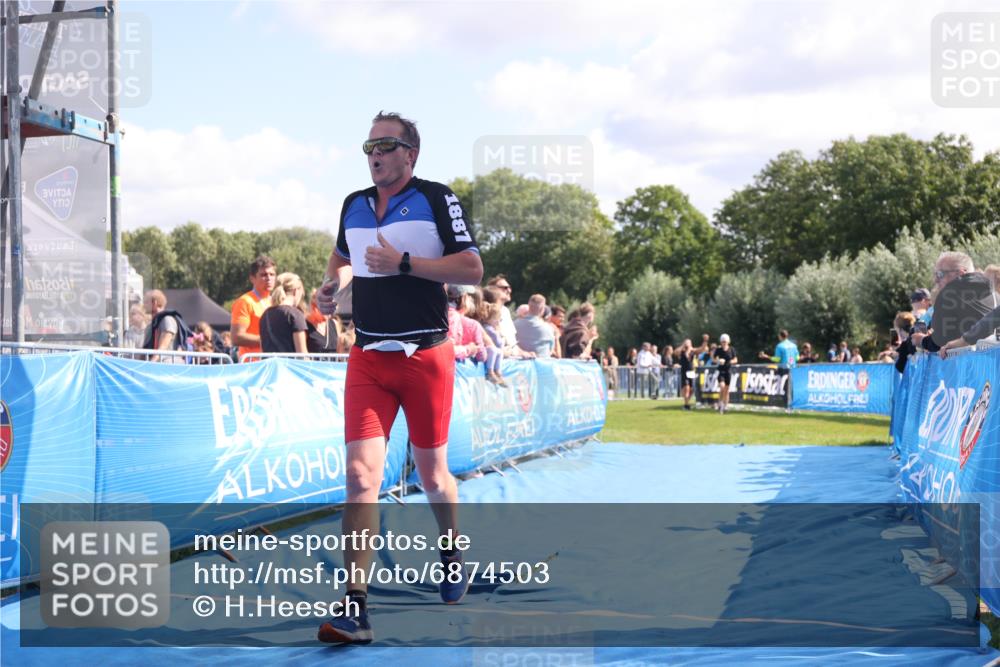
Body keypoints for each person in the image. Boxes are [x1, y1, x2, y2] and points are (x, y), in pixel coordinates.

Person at [315, 111, 483, 645]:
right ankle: (356, 607)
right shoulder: (353, 203)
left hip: (425, 356)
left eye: (385, 145)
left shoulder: (436, 197)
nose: (375, 154)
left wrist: (405, 263)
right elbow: (340, 260)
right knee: (360, 477)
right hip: (368, 357)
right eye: (369, 146)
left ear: (410, 153)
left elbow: (471, 269)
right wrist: (329, 288)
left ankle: (451, 550)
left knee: (433, 476)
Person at [912, 251, 996, 352]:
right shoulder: (994, 293)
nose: (935, 280)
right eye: (935, 274)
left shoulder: (950, 295)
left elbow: (940, 341)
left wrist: (922, 341)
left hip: (972, 360)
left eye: (940, 274)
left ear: (960, 274)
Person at [231, 255, 277, 360]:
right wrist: (268, 340)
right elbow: (236, 337)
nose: (269, 278)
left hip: (273, 363)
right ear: (252, 278)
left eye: (272, 274)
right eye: (263, 275)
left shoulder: (275, 301)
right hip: (252, 364)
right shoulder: (245, 302)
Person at [260, 272, 309, 354]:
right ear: (296, 291)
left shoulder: (265, 314)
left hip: (270, 362)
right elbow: (302, 353)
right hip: (290, 362)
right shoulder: (295, 314)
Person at [142, 290, 184, 364]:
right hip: (158, 364)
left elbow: (163, 346)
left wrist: (151, 363)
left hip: (168, 364)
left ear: (154, 303)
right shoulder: (152, 324)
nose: (143, 305)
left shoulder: (167, 320)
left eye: (146, 302)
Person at [514, 294, 556, 358]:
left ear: (529, 306)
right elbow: (551, 349)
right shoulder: (548, 328)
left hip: (518, 362)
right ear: (542, 309)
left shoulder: (514, 325)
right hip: (542, 362)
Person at [677, 335, 709, 410]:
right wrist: (683, 345)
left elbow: (702, 349)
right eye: (686, 343)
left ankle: (686, 403)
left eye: (689, 343)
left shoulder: (692, 351)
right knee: (687, 388)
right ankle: (686, 405)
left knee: (691, 389)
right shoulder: (681, 351)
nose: (687, 344)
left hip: (691, 372)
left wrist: (705, 341)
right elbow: (675, 352)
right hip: (684, 371)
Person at [713, 333, 738, 414]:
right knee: (722, 387)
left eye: (725, 341)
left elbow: (736, 359)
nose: (724, 343)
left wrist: (730, 361)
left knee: (726, 390)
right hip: (721, 371)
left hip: (728, 371)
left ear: (728, 342)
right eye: (722, 341)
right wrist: (718, 361)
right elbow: (713, 359)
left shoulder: (731, 349)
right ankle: (720, 403)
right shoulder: (718, 350)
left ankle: (725, 406)